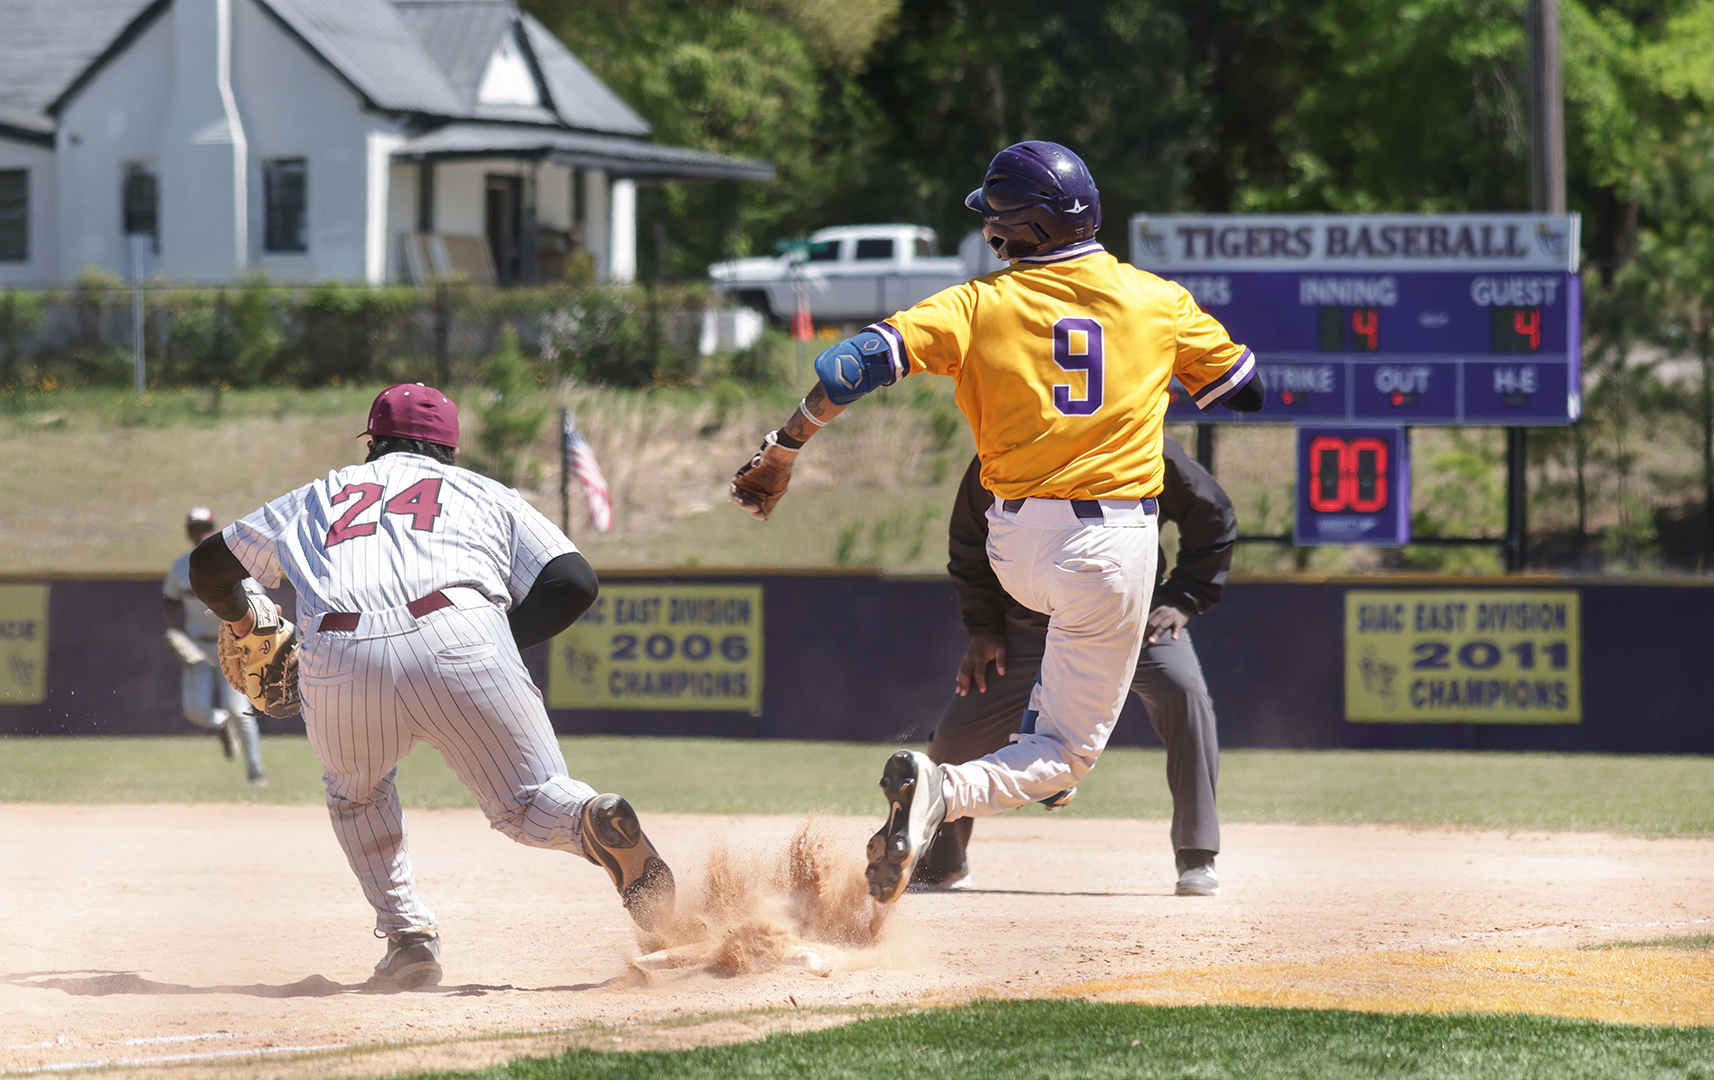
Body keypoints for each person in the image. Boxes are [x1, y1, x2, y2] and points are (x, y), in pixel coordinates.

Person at [727, 140, 1264, 904]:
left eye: (999, 223)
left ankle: (1001, 743)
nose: (992, 235)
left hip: (1012, 544)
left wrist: (785, 448)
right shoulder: (1157, 300)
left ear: (1030, 231)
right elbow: (1244, 389)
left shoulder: (976, 306)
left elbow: (850, 365)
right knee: (1066, 756)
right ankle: (942, 791)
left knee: (1056, 635)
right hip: (1110, 544)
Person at [186, 383, 674, 989]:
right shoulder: (483, 491)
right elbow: (573, 582)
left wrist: (240, 617)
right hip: (463, 634)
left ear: (373, 442)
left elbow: (207, 567)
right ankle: (591, 818)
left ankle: (409, 938)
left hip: (339, 652)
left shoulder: (319, 495)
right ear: (449, 448)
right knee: (527, 802)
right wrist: (491, 643)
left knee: (357, 795)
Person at [915, 435, 1235, 897]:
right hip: (1026, 624)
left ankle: (1197, 855)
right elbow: (968, 538)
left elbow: (1214, 512)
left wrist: (1183, 596)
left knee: (1184, 694)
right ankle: (944, 861)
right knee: (956, 735)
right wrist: (984, 629)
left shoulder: (1135, 438)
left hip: (1124, 616)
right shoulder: (1006, 441)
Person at [162, 507, 266, 786]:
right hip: (198, 646)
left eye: (206, 527)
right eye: (196, 528)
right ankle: (221, 724)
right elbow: (170, 599)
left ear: (214, 528)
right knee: (194, 710)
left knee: (239, 709)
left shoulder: (233, 561)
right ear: (188, 533)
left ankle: (256, 771)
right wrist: (173, 629)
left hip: (233, 645)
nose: (201, 533)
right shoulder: (180, 566)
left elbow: (259, 600)